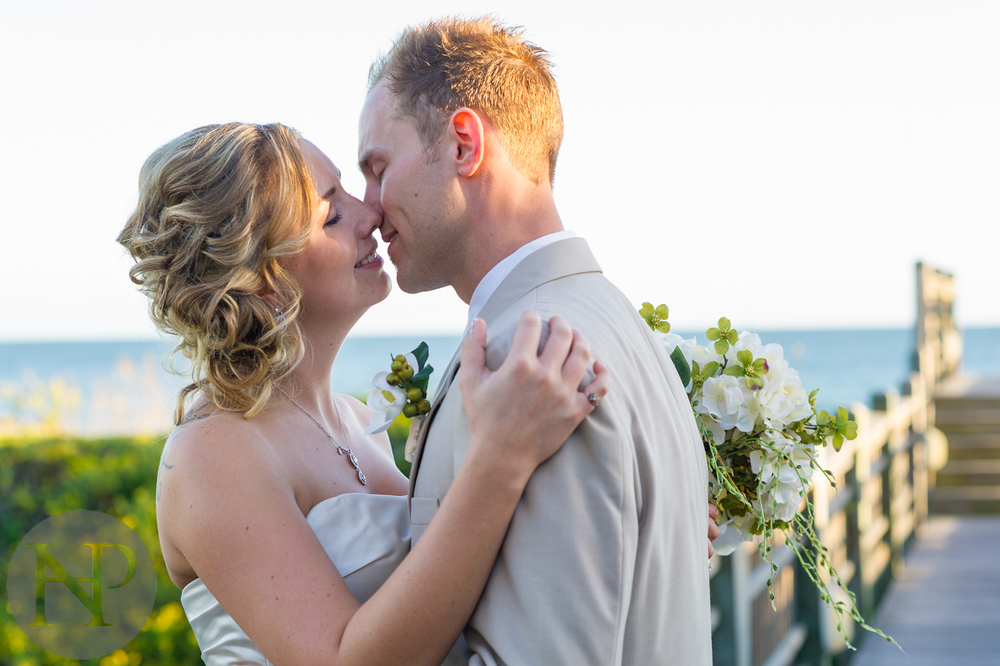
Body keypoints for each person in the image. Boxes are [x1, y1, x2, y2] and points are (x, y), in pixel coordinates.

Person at [117, 122, 610, 665]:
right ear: (261, 280)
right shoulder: (211, 455)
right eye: (331, 213)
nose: (370, 214)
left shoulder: (355, 420)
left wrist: (614, 516)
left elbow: (456, 585)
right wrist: (500, 459)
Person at [358, 17, 714, 664]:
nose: (368, 206)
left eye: (377, 168)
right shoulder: (618, 323)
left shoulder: (532, 358)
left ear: (464, 144)